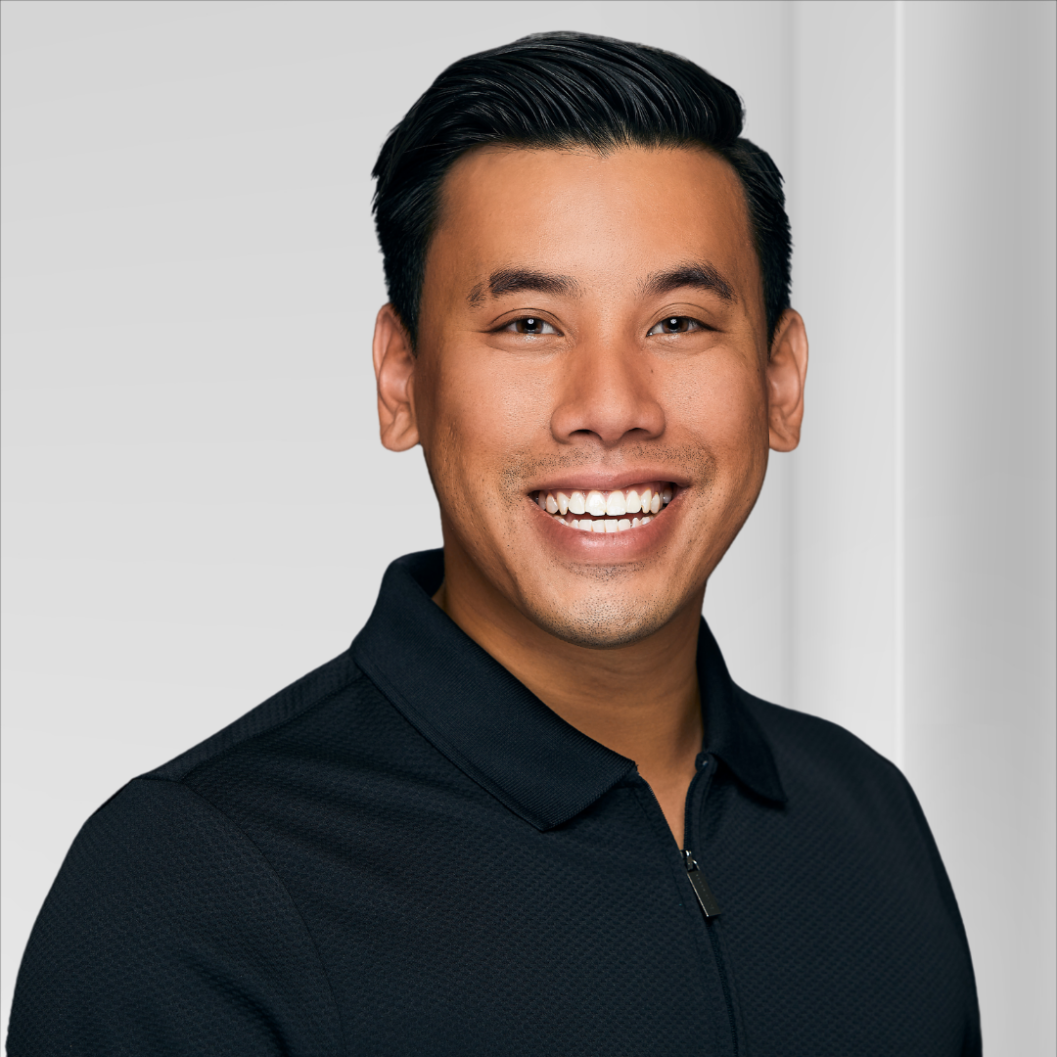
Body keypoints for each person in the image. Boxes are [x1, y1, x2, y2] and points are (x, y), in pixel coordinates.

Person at [7, 31, 981, 1056]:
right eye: (527, 324)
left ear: (780, 381)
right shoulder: (187, 892)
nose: (610, 406)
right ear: (400, 379)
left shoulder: (868, 820)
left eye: (679, 322)